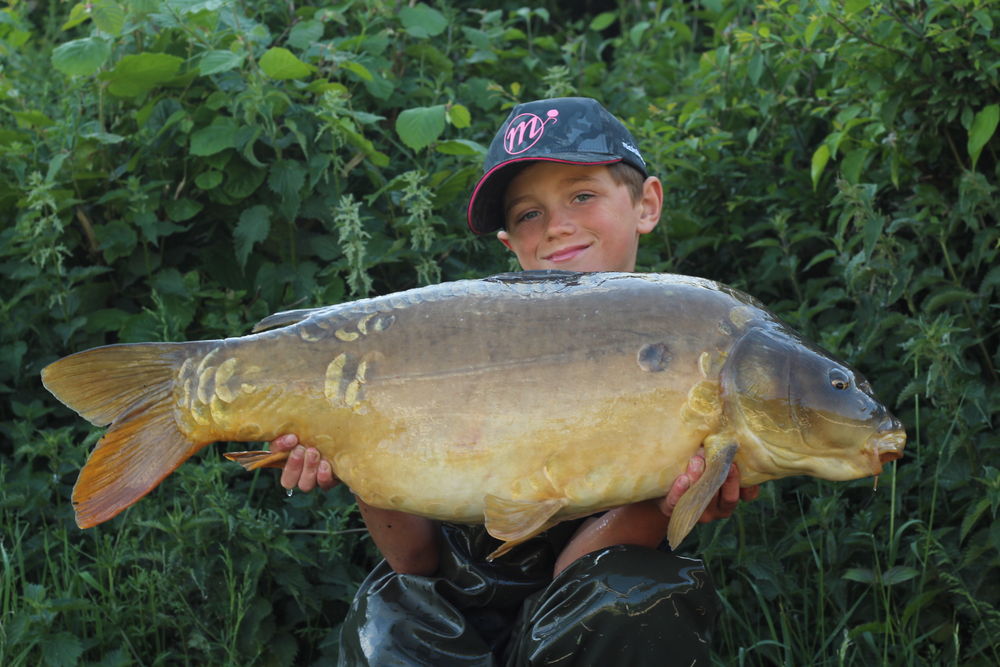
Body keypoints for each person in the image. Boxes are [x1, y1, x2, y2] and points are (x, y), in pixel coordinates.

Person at [272, 97, 759, 665]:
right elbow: (414, 562)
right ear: (510, 247)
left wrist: (669, 504)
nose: (557, 227)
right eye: (529, 214)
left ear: (646, 204)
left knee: (633, 595)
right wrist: (347, 446)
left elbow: (578, 580)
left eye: (582, 196)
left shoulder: (686, 343)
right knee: (391, 615)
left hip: (587, 605)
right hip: (449, 600)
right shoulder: (459, 333)